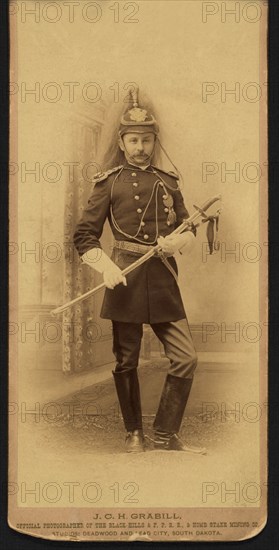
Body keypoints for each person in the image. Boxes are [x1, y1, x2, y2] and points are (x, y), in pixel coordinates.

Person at [73, 89, 206, 454]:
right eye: (133, 140)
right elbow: (84, 235)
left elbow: (188, 227)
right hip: (125, 278)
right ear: (121, 141)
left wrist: (177, 244)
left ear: (154, 140)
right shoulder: (109, 182)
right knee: (126, 359)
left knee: (185, 357)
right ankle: (134, 432)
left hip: (162, 275)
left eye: (147, 140)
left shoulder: (169, 181)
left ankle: (166, 434)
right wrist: (105, 267)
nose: (141, 148)